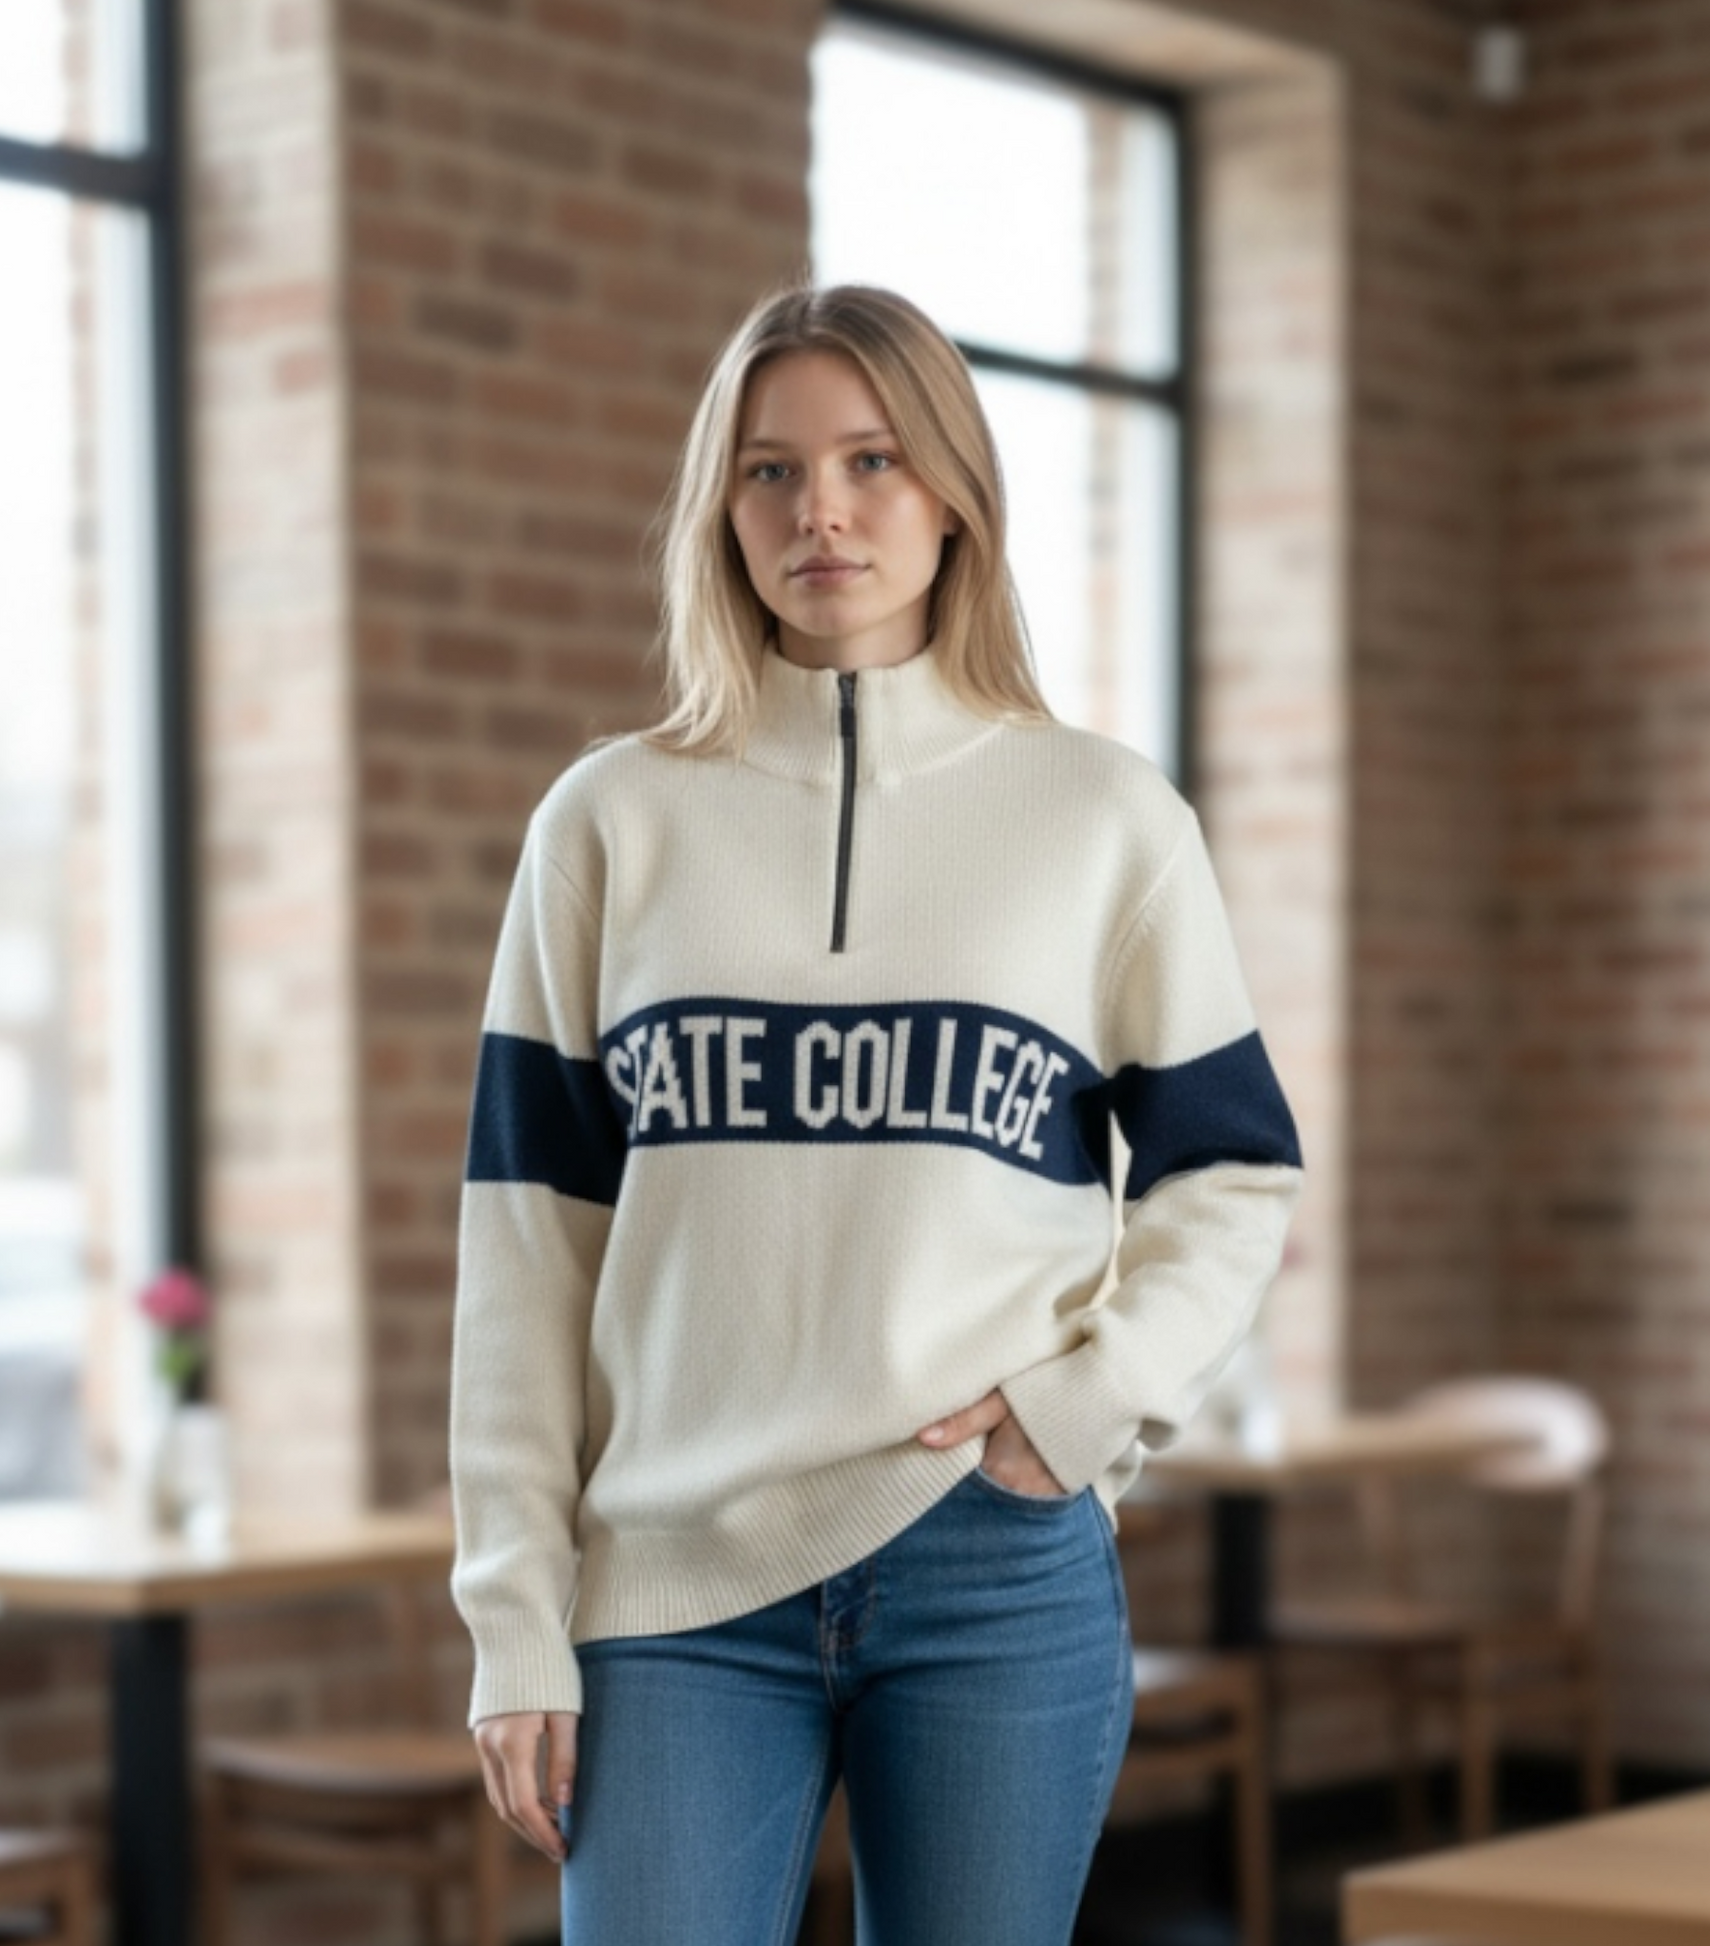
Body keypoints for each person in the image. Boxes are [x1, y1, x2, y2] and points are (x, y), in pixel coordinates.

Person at [450, 284, 1302, 1945]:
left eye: (871, 460)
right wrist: (512, 1617)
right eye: (767, 471)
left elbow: (1230, 1168)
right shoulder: (608, 821)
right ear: (720, 508)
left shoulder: (1100, 819)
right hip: (669, 1583)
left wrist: (1085, 1402)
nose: (819, 512)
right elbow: (525, 1251)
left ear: (953, 494)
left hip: (989, 1557)